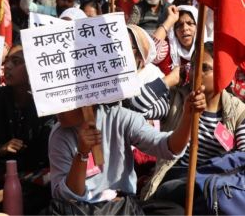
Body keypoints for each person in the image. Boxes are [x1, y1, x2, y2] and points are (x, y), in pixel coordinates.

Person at [49, 79, 205, 213]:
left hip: (124, 207)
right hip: (82, 210)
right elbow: (66, 197)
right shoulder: (59, 136)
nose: (57, 108)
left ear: (88, 98)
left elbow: (167, 147)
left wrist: (188, 117)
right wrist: (82, 154)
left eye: (65, 99)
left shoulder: (120, 118)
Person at [138, 42, 245, 206]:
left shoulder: (238, 112)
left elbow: (242, 159)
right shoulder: (176, 101)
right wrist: (169, 80)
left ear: (222, 73)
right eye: (193, 66)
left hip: (214, 186)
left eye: (205, 68)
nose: (197, 73)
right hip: (175, 180)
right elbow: (138, 106)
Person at [0, 45, 55, 214]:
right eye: (7, 61)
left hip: (33, 182)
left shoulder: (46, 106)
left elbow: (46, 156)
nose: (8, 66)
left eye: (16, 62)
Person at [151, 5, 200, 76]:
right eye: (179, 25)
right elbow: (151, 53)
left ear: (198, 27)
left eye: (190, 23)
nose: (185, 28)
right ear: (175, 32)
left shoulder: (207, 52)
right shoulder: (168, 49)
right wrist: (170, 19)